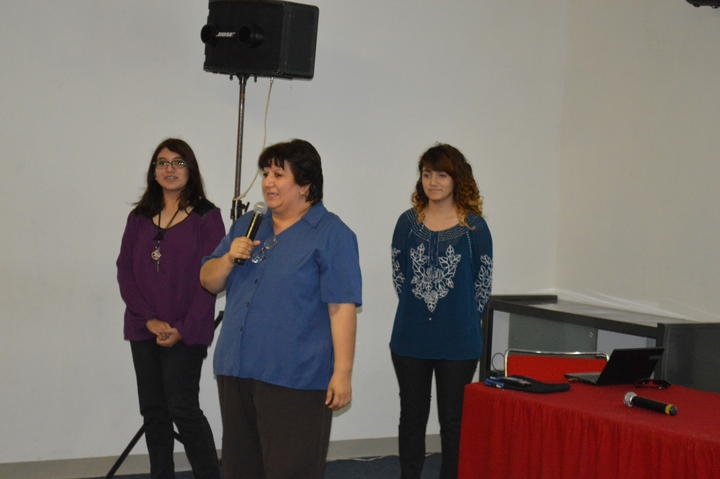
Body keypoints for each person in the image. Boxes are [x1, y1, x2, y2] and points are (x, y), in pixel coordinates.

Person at [200, 139, 362, 479]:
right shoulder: (248, 224)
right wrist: (228, 258)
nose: (268, 183)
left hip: (295, 376)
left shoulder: (332, 234)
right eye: (266, 174)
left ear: (305, 184)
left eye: (278, 174)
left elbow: (342, 307)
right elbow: (208, 280)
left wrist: (342, 372)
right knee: (240, 469)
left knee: (291, 470)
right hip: (237, 368)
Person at [116, 138, 224, 479]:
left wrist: (181, 327)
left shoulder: (207, 217)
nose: (170, 169)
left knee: (183, 409)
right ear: (153, 171)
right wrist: (148, 319)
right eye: (162, 162)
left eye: (178, 162)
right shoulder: (139, 217)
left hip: (186, 330)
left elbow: (211, 279)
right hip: (143, 327)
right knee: (153, 411)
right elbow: (125, 270)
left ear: (191, 169)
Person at [390, 143, 493, 479]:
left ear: (456, 178)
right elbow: (400, 276)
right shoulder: (407, 223)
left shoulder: (475, 228)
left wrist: (461, 320)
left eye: (441, 175)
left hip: (459, 343)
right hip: (410, 339)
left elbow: (482, 285)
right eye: (427, 174)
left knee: (453, 421)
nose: (433, 182)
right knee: (412, 417)